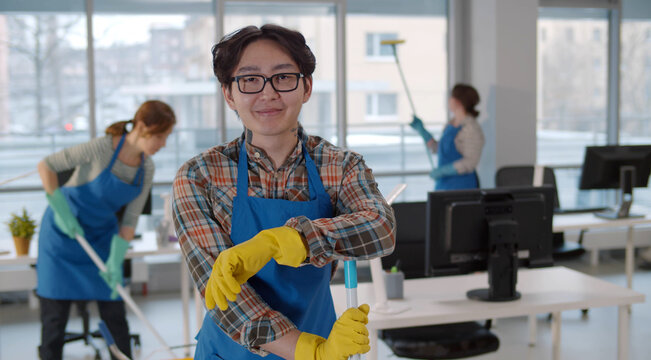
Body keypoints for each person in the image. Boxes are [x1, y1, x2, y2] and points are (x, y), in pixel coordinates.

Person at [172, 24, 396, 360]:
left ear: (306, 87)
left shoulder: (340, 166)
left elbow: (382, 229)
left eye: (283, 77)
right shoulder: (200, 176)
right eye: (249, 79)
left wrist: (287, 240)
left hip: (324, 340)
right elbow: (221, 296)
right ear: (229, 94)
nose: (268, 94)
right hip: (239, 351)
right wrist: (308, 350)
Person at [36, 100, 176, 360]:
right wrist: (60, 208)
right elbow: (47, 166)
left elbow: (130, 219)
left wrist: (115, 260)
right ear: (142, 126)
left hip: (101, 238)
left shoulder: (146, 168)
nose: (163, 144)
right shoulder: (102, 148)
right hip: (63, 235)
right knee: (55, 322)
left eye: (165, 137)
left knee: (115, 317)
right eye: (159, 136)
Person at [410, 83, 485, 190]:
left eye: (451, 97)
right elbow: (439, 149)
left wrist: (445, 170)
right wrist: (423, 131)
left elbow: (470, 162)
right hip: (444, 185)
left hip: (462, 186)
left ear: (458, 101)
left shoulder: (471, 128)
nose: (449, 100)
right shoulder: (450, 124)